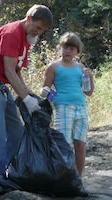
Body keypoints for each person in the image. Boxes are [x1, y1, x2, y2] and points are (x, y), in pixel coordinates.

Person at [0, 4, 53, 197]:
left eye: (42, 31)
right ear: (29, 17)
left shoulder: (25, 40)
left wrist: (28, 94)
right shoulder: (12, 33)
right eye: (38, 27)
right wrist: (24, 98)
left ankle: (8, 176)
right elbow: (8, 69)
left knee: (17, 130)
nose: (38, 33)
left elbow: (16, 72)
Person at [40, 32, 94, 177]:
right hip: (63, 108)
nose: (67, 51)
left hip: (81, 108)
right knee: (64, 146)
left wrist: (90, 78)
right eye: (65, 47)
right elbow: (44, 89)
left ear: (77, 51)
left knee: (81, 145)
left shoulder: (80, 67)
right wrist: (47, 93)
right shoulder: (54, 67)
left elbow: (88, 92)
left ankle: (78, 178)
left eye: (71, 48)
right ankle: (63, 178)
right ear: (60, 48)